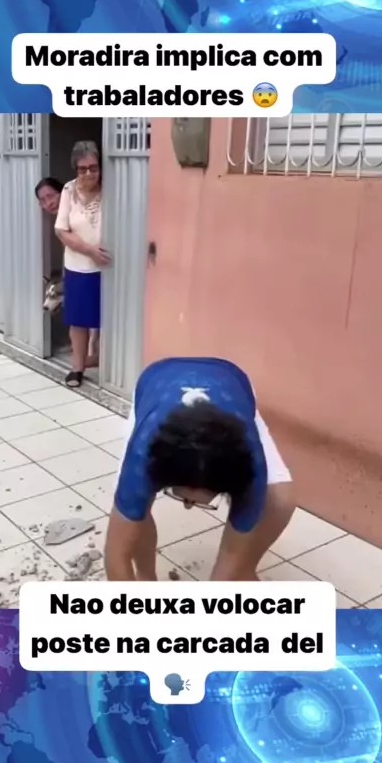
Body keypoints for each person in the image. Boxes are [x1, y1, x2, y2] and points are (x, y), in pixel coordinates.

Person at [105, 357, 295, 582]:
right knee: (136, 507)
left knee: (281, 501)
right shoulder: (144, 453)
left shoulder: (249, 463)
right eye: (184, 498)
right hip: (157, 381)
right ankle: (147, 577)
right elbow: (116, 556)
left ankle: (246, 570)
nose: (188, 506)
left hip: (231, 381)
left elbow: (231, 554)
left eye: (196, 501)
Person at [54, 141, 111, 387]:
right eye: (82, 169)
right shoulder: (68, 190)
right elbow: (61, 230)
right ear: (75, 169)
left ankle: (109, 364)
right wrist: (90, 251)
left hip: (108, 267)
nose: (89, 173)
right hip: (78, 266)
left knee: (108, 317)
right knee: (79, 320)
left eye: (93, 167)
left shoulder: (111, 188)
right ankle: (78, 367)